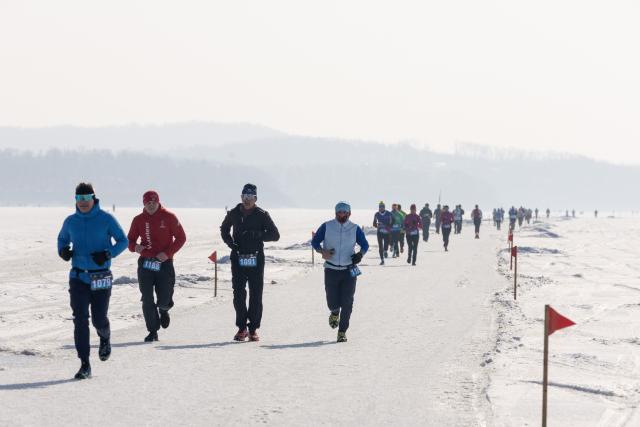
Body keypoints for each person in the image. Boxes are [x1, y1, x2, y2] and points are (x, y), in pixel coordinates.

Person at [57, 183, 128, 380]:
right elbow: (62, 239)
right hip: (78, 276)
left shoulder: (106, 219)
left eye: (86, 198)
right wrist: (63, 251)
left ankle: (104, 336)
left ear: (93, 198)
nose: (83, 203)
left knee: (98, 318)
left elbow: (123, 241)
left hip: (101, 276)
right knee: (80, 319)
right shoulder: (71, 221)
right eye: (79, 199)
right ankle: (85, 363)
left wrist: (107, 254)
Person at [220, 184, 280, 342]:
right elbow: (224, 229)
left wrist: (257, 234)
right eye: (245, 197)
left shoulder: (262, 215)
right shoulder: (233, 213)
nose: (247, 200)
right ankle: (241, 328)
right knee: (238, 294)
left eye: (250, 197)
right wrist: (230, 243)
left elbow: (275, 235)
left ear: (255, 199)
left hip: (256, 258)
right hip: (238, 258)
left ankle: (253, 328)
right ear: (241, 197)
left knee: (256, 294)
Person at [127, 190, 186, 342]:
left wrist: (167, 253)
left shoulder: (169, 217)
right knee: (147, 298)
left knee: (165, 297)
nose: (151, 205)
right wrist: (135, 247)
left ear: (158, 202)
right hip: (146, 264)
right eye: (148, 203)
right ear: (144, 204)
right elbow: (130, 241)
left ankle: (164, 309)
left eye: (153, 202)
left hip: (164, 263)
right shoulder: (138, 220)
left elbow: (181, 238)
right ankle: (152, 330)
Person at [312, 202, 369, 343]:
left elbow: (365, 245)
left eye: (344, 212)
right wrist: (322, 251)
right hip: (331, 269)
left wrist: (360, 255)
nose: (342, 214)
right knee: (332, 300)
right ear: (335, 213)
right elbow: (315, 242)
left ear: (349, 213)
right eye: (339, 212)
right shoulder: (327, 226)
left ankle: (342, 331)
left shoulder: (355, 228)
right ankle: (334, 312)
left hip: (349, 270)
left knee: (348, 301)